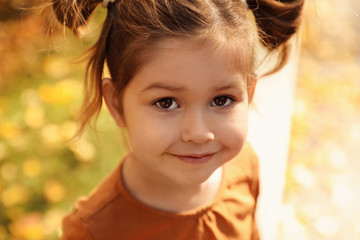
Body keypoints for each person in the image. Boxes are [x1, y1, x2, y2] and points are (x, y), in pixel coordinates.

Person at [51, 0, 304, 239]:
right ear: (116, 103)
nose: (199, 133)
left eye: (221, 100)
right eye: (166, 103)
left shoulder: (244, 165)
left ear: (249, 93)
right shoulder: (94, 231)